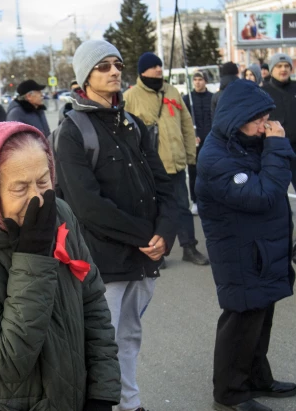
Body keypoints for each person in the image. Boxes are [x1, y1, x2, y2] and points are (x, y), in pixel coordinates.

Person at [0, 121, 121, 411]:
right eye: (20, 188)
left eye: (43, 182)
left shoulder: (58, 214)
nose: (38, 199)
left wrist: (102, 392)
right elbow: (7, 361)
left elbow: (92, 303)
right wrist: (33, 256)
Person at [56, 40, 177, 411]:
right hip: (103, 261)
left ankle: (130, 402)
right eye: (103, 66)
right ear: (85, 76)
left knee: (130, 336)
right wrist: (145, 236)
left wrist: (165, 234)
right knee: (100, 343)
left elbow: (164, 184)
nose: (113, 72)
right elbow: (86, 205)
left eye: (117, 65)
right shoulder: (72, 130)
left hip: (143, 257)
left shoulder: (132, 123)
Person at [196, 79, 296, 411]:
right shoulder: (215, 157)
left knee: (260, 316)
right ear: (236, 118)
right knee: (241, 321)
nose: (265, 125)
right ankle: (229, 392)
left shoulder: (245, 142)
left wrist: (270, 145)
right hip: (240, 253)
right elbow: (264, 195)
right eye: (258, 119)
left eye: (267, 117)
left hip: (259, 249)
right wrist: (277, 146)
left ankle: (256, 377)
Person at [125, 51, 209, 266]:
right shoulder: (130, 97)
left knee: (182, 207)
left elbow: (186, 125)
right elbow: (124, 133)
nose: (159, 69)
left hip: (176, 163)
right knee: (152, 210)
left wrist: (191, 154)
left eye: (160, 66)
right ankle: (156, 253)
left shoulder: (172, 91)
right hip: (150, 167)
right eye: (154, 66)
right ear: (143, 70)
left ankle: (189, 247)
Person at [262, 53, 296, 194]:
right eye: (279, 66)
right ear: (272, 69)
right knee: (276, 195)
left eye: (286, 66)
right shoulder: (263, 91)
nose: (283, 69)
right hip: (275, 151)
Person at [182, 72, 213, 216]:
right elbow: (183, 122)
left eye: (200, 79)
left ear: (205, 81)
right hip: (194, 142)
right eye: (195, 80)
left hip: (211, 141)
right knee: (194, 172)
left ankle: (211, 199)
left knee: (211, 171)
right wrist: (190, 137)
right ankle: (195, 201)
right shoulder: (187, 99)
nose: (197, 82)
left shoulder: (212, 97)